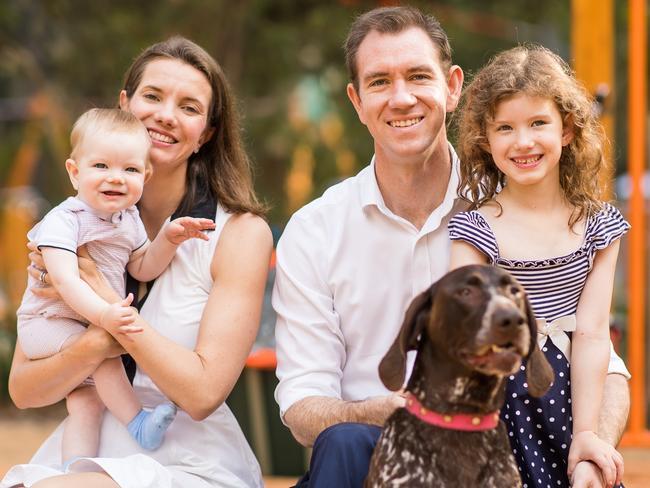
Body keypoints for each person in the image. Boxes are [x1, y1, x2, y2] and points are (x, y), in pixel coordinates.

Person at [272, 6, 631, 488]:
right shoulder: (315, 230)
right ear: (356, 101)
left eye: (418, 76)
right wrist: (397, 411)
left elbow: (595, 357)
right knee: (343, 442)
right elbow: (301, 407)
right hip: (372, 453)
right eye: (379, 82)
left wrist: (590, 446)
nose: (401, 98)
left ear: (453, 86)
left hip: (500, 443)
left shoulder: (511, 209)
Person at [3, 36, 272, 488]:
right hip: (89, 445)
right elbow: (25, 389)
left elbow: (203, 394)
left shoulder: (239, 234)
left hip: (187, 456)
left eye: (189, 107)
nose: (166, 114)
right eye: (152, 96)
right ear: (125, 105)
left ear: (205, 133)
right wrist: (92, 347)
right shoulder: (70, 226)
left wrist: (108, 306)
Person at [448, 45, 627, 488]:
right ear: (486, 141)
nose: (523, 141)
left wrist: (586, 434)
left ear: (566, 130)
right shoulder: (475, 229)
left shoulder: (598, 227)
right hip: (501, 403)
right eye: (505, 127)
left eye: (538, 123)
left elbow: (590, 333)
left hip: (571, 396)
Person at [16, 107, 217, 466]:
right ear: (74, 172)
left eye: (130, 169)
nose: (116, 178)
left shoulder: (128, 220)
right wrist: (105, 316)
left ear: (145, 174)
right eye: (101, 167)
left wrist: (167, 240)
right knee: (104, 355)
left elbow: (141, 267)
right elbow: (65, 279)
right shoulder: (64, 221)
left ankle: (75, 469)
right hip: (47, 322)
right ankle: (137, 422)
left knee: (86, 404)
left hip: (85, 320)